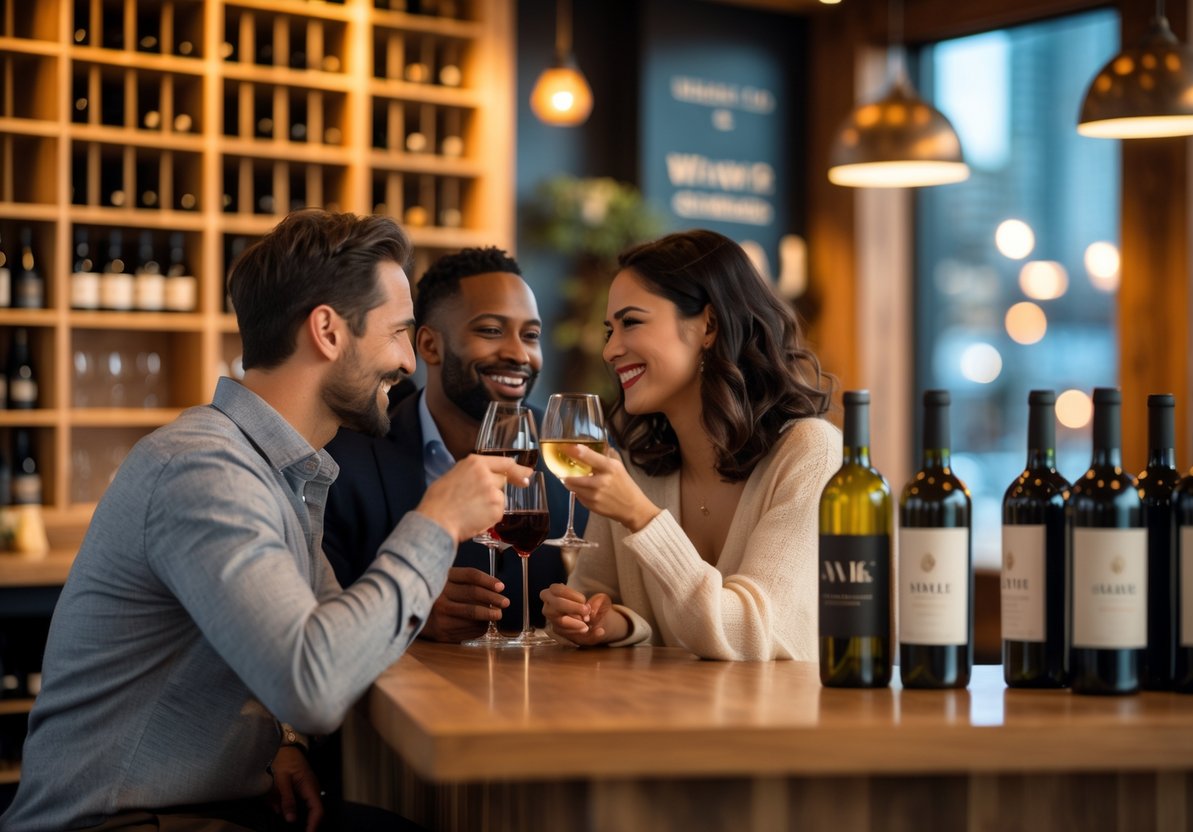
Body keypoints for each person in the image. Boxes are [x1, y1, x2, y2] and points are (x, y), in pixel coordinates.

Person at [0, 211, 530, 831]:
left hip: (207, 805)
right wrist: (436, 521)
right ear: (328, 331)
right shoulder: (204, 468)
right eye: (397, 334)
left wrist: (282, 741)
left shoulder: (279, 470)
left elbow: (326, 635)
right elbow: (315, 683)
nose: (409, 364)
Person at [539, 229, 840, 661]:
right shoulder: (639, 463)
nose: (610, 350)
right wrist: (605, 622)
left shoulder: (810, 455)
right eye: (609, 329)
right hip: (665, 718)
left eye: (631, 322)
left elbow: (750, 635)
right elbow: (596, 596)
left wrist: (641, 517)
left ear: (708, 325)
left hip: (781, 724)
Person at [323, 247, 578, 642]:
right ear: (429, 346)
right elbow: (319, 619)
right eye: (491, 331)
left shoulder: (569, 459)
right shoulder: (343, 461)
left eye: (530, 336)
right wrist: (410, 615)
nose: (517, 354)